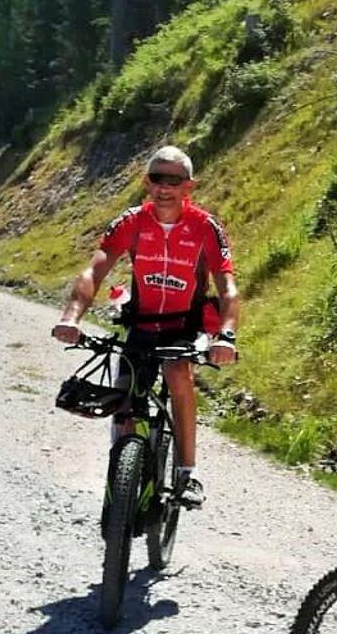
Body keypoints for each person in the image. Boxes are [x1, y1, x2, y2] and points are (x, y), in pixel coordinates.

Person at [53, 146, 239, 506]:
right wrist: (71, 316)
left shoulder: (205, 227)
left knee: (178, 374)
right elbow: (94, 271)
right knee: (125, 398)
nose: (164, 187)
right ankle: (121, 473)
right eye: (157, 178)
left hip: (183, 326)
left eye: (174, 180)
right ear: (146, 182)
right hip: (141, 323)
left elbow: (227, 288)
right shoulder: (131, 222)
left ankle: (186, 473)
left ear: (189, 186)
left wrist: (226, 336)